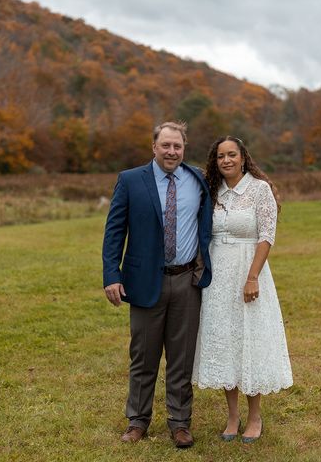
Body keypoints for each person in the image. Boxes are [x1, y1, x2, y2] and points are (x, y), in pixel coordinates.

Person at [102, 121, 212, 448]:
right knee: (144, 356)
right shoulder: (131, 180)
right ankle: (137, 421)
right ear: (154, 147)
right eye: (165, 145)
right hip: (145, 280)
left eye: (177, 146)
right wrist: (112, 275)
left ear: (184, 148)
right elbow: (114, 232)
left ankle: (180, 423)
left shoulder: (198, 179)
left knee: (182, 358)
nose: (171, 151)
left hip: (187, 282)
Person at [192, 135, 293, 443]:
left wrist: (252, 278)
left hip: (249, 270)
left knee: (250, 340)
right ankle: (232, 416)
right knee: (226, 341)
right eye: (221, 156)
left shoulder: (259, 190)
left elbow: (266, 236)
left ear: (243, 157)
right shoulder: (212, 192)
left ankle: (254, 416)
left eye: (232, 154)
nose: (226, 160)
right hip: (218, 276)